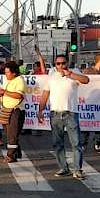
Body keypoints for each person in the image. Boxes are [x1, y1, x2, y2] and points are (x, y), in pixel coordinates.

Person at [36, 49, 89, 179]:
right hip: (55, 113)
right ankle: (63, 168)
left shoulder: (74, 72)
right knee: (58, 143)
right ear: (55, 65)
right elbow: (45, 94)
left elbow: (86, 80)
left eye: (63, 63)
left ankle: (78, 169)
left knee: (75, 143)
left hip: (70, 112)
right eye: (58, 63)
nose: (60, 66)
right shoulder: (52, 75)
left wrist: (70, 74)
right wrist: (40, 110)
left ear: (67, 63)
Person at [0, 60, 27, 162]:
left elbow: (19, 95)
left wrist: (4, 92)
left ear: (14, 73)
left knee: (12, 134)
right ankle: (17, 152)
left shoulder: (19, 80)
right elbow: (5, 92)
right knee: (9, 133)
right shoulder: (7, 80)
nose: (6, 74)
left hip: (15, 110)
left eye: (7, 72)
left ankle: (10, 155)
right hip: (5, 110)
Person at [81, 53, 100, 151]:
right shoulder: (87, 71)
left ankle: (97, 143)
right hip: (88, 101)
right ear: (99, 61)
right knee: (87, 123)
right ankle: (83, 143)